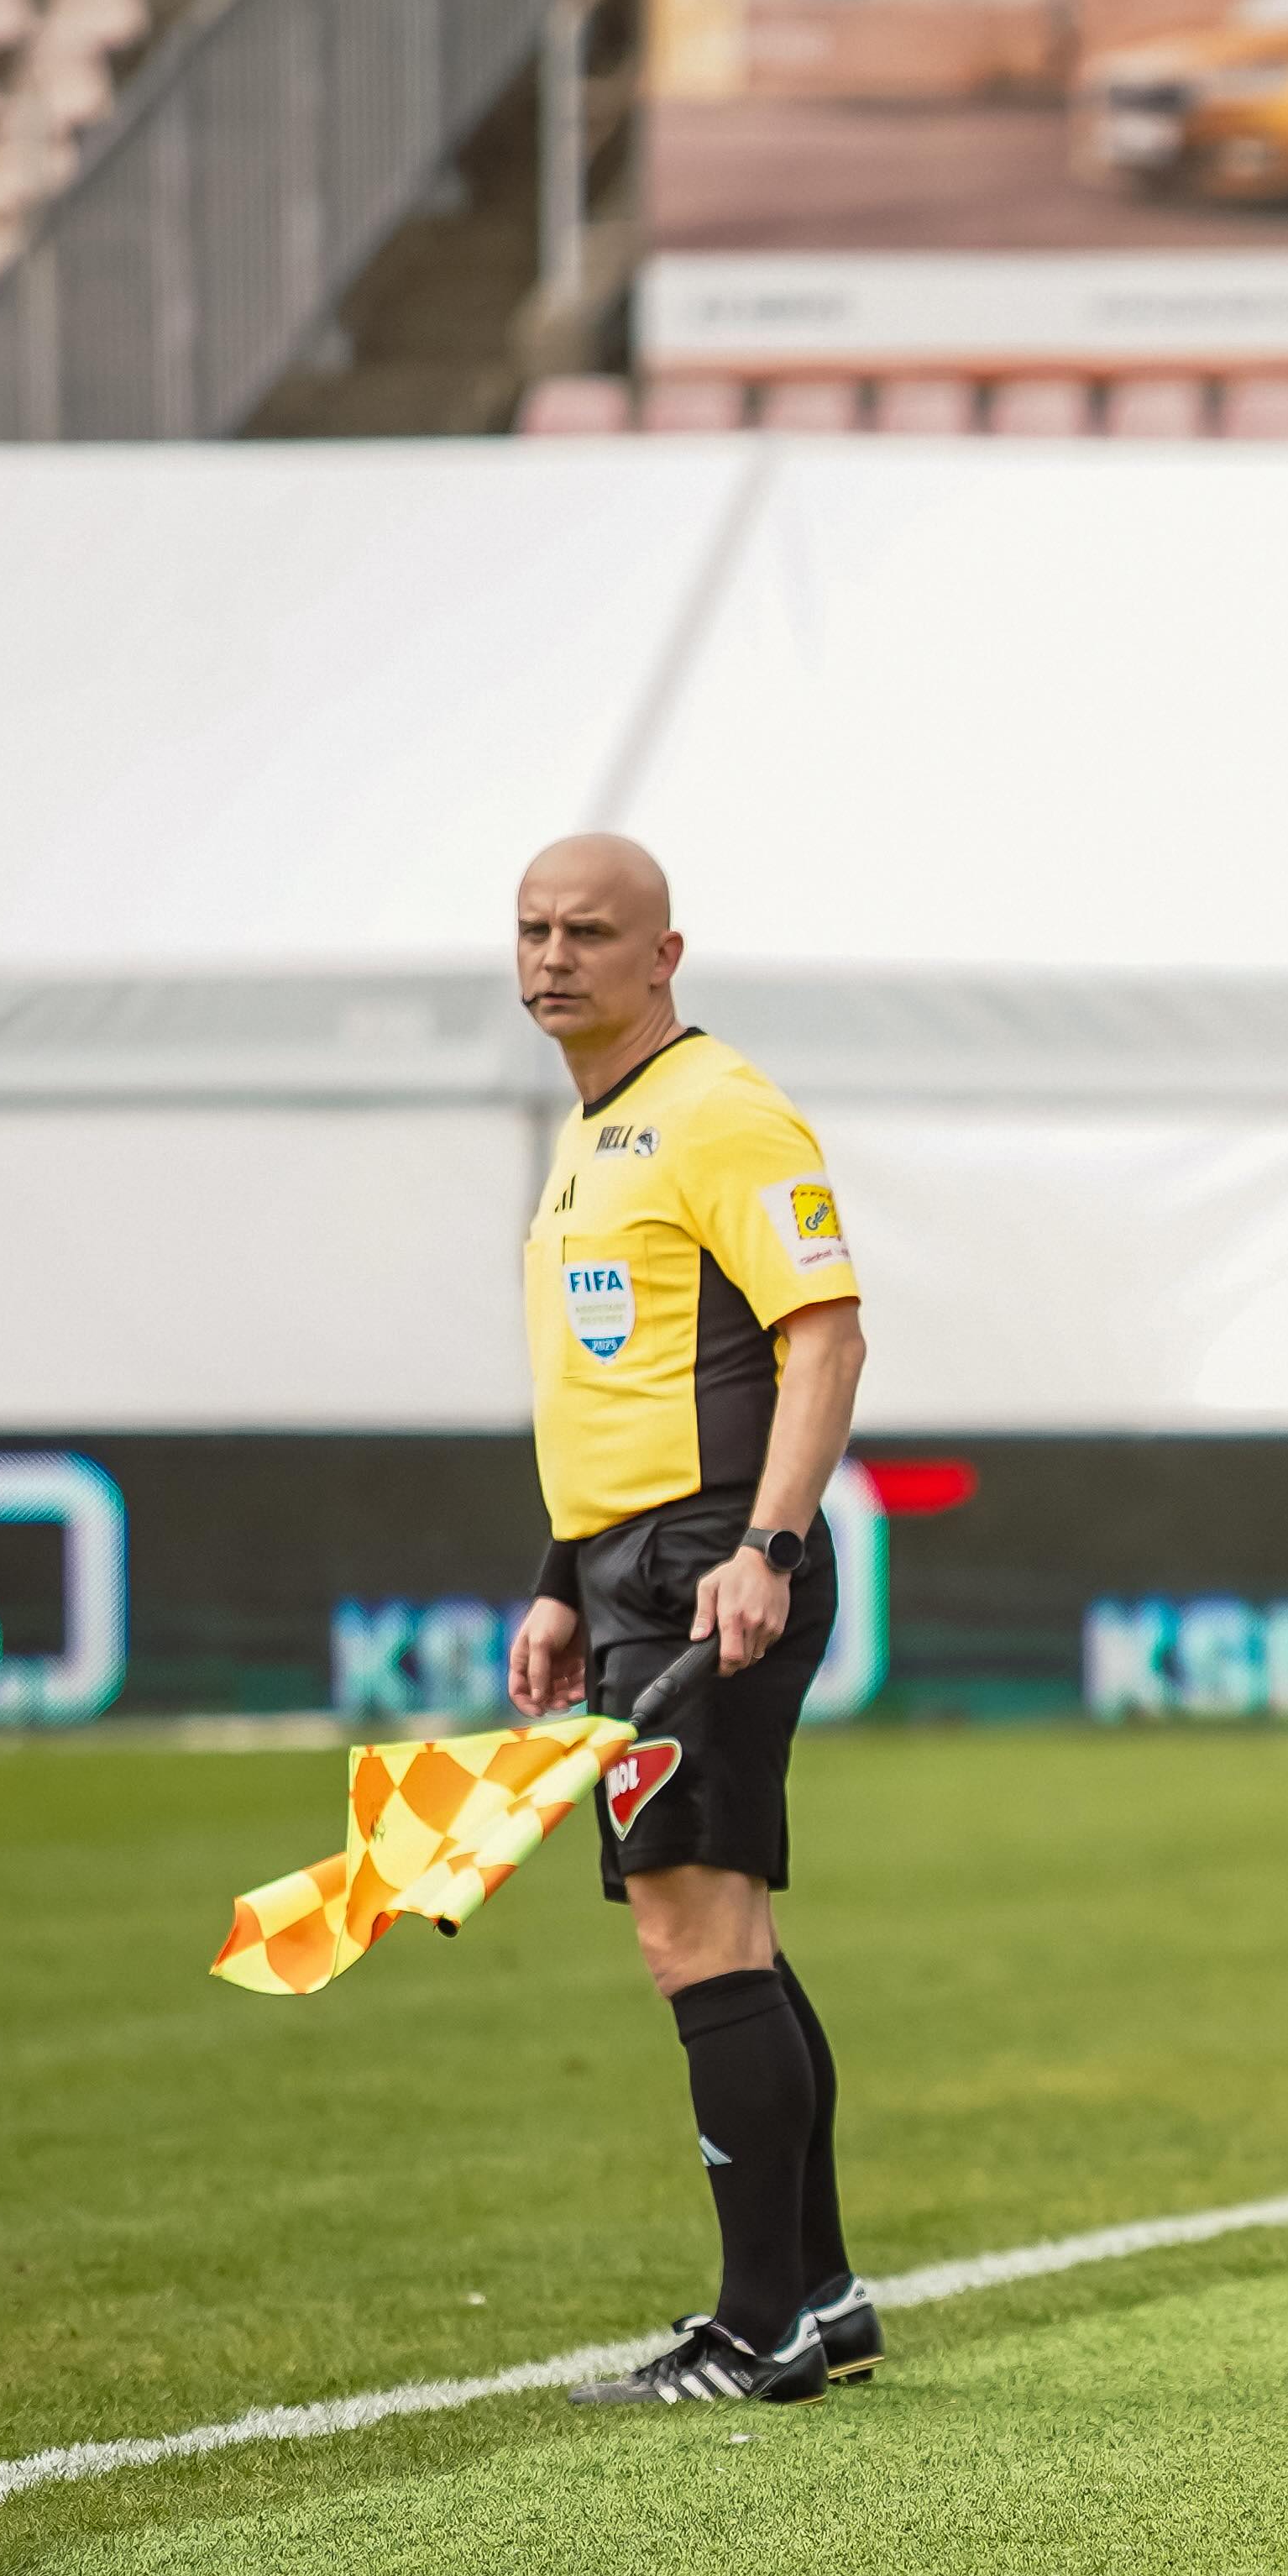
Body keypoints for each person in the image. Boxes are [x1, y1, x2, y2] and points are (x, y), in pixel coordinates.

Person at [498, 834, 882, 2409]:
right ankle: (820, 2298)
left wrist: (766, 1546)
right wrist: (558, 1575)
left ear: (664, 955)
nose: (553, 956)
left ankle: (757, 2328)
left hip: (710, 1571)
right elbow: (623, 1386)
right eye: (533, 929)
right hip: (635, 1571)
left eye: (590, 931)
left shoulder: (719, 1110)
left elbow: (827, 1339)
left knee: (692, 1936)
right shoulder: (595, 1129)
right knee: (731, 1937)